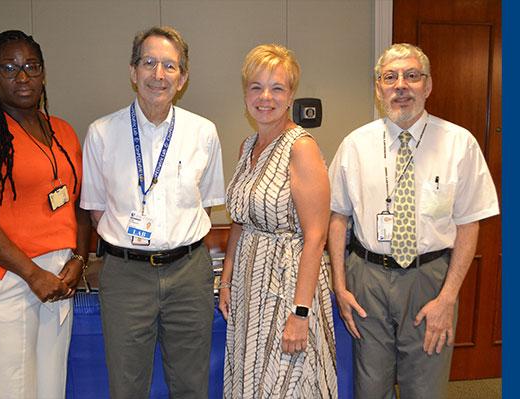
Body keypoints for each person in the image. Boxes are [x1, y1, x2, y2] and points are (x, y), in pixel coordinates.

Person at [327, 43, 499, 399]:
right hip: (367, 282)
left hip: (429, 281)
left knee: (425, 388)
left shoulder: (459, 144)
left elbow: (469, 223)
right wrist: (340, 287)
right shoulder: (355, 145)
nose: (401, 85)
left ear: (428, 85)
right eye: (390, 77)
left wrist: (448, 298)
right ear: (378, 88)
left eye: (412, 76)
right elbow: (337, 217)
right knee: (369, 388)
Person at [0, 30, 91, 398]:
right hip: (3, 278)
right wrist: (32, 273)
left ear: (43, 74)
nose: (22, 77)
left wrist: (79, 259)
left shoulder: (63, 131)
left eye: (31, 67)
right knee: (7, 390)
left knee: (49, 388)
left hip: (57, 278)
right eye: (9, 67)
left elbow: (78, 205)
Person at [80, 26, 225, 399]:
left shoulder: (203, 133)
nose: (158, 75)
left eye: (169, 66)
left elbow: (204, 204)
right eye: (149, 63)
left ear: (183, 77)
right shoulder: (101, 133)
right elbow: (97, 211)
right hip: (125, 276)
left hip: (189, 274)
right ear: (133, 71)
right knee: (127, 386)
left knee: (192, 384)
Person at [219, 44, 338, 398]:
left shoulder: (301, 147)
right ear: (245, 94)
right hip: (247, 290)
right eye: (256, 87)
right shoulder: (247, 146)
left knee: (286, 384)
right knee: (251, 380)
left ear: (290, 97)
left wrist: (300, 314)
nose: (265, 97)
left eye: (277, 88)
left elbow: (316, 236)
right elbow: (240, 220)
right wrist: (226, 281)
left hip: (287, 290)